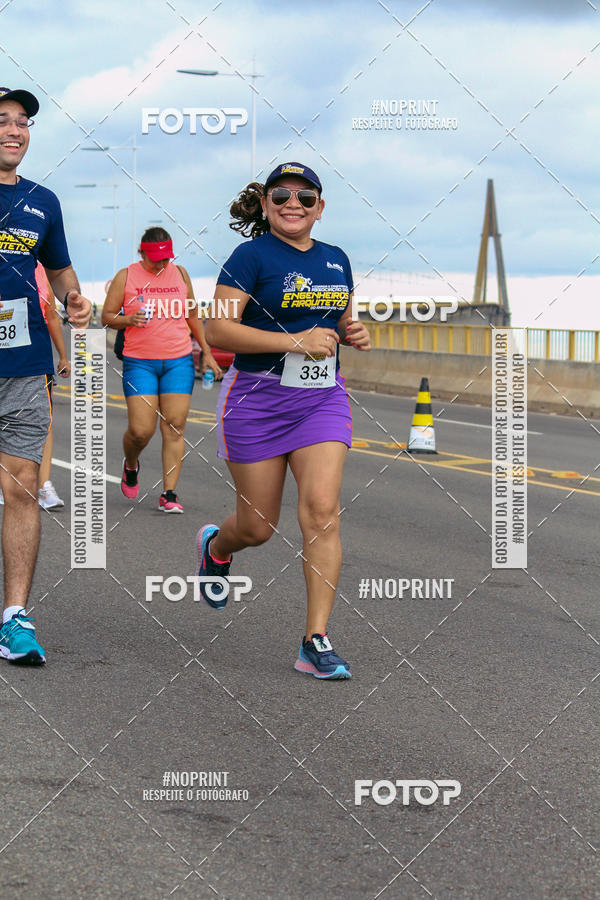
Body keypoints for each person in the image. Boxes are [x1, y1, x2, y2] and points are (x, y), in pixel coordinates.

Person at [195, 162, 370, 679]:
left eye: (304, 196)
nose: (293, 203)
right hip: (257, 399)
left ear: (320, 206)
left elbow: (338, 318)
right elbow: (218, 329)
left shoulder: (336, 259)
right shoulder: (250, 256)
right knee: (257, 526)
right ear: (267, 203)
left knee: (322, 512)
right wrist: (292, 342)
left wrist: (352, 330)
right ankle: (217, 547)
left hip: (321, 398)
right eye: (281, 195)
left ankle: (315, 640)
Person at [0, 87, 92, 665]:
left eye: (24, 122)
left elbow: (58, 271)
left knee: (22, 487)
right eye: (3, 121)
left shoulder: (42, 201)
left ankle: (13, 617)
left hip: (23, 366)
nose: (16, 130)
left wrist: (75, 299)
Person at [102, 227, 222, 513]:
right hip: (140, 361)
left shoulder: (179, 274)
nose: (160, 264)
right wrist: (128, 318)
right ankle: (131, 465)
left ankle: (169, 493)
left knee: (175, 425)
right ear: (141, 253)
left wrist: (206, 352)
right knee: (141, 431)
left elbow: (192, 314)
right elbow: (107, 317)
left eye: (165, 259)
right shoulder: (126, 276)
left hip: (178, 360)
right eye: (155, 259)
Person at [36, 263, 70, 509]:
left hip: (34, 359)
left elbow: (51, 315)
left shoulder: (39, 269)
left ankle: (43, 486)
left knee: (43, 423)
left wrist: (62, 355)